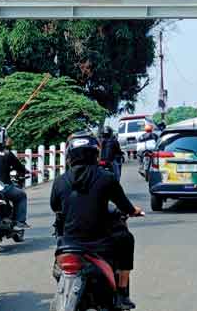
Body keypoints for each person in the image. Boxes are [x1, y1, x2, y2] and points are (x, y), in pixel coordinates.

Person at [51, 131, 143, 310]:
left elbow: (55, 206)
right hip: (99, 244)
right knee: (126, 239)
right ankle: (123, 292)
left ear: (70, 155)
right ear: (95, 153)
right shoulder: (106, 178)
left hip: (68, 245)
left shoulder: (60, 181)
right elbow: (125, 207)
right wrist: (134, 211)